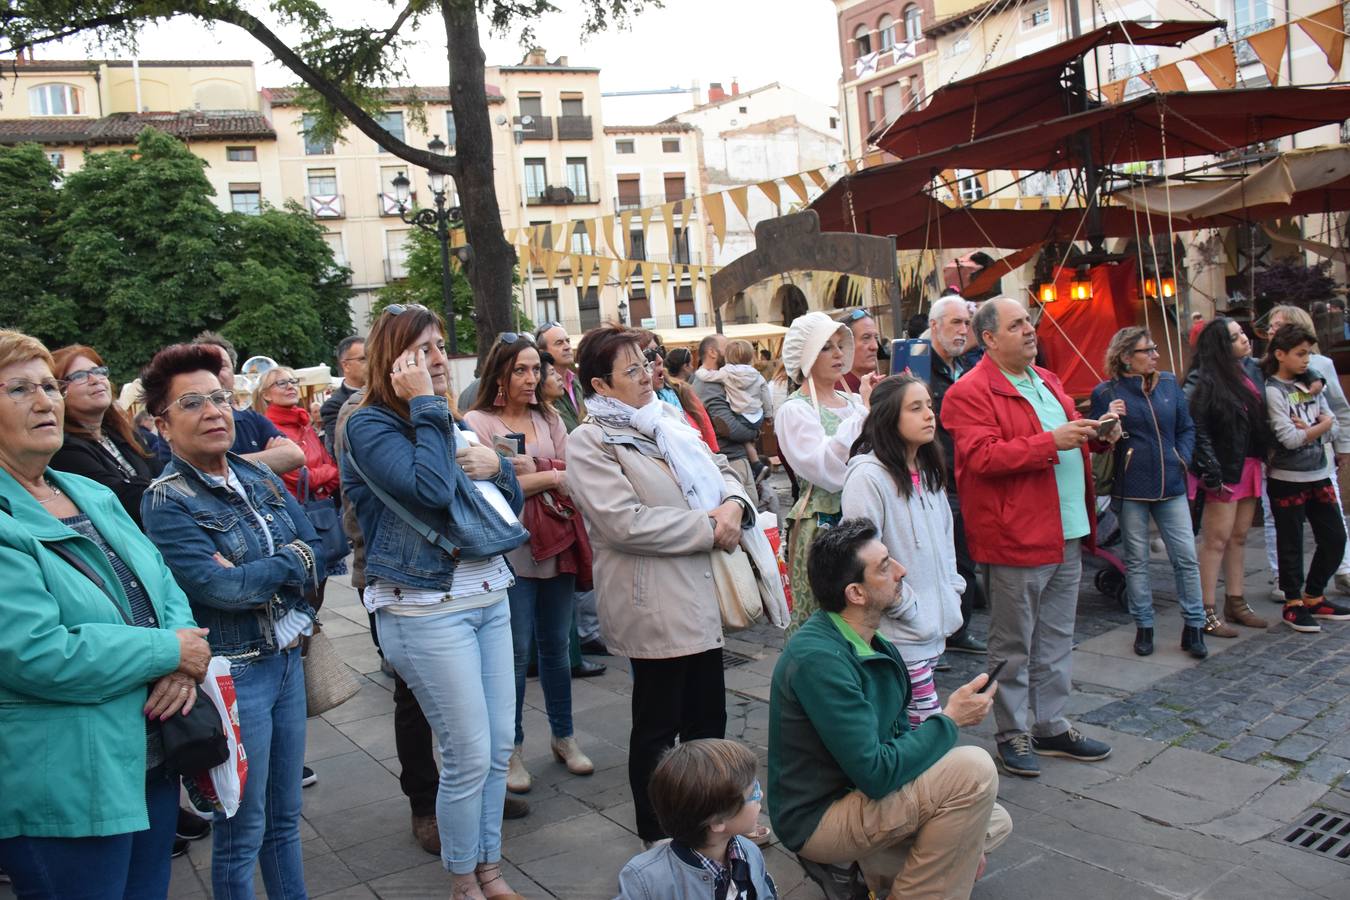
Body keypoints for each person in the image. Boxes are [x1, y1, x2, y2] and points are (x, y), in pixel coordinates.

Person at [0, 330, 212, 899]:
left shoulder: (82, 489)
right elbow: (35, 652)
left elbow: (161, 578)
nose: (45, 401)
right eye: (19, 389)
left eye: (48, 385)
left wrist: (181, 657)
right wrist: (169, 652)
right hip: (66, 780)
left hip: (149, 756)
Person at [341, 304, 529, 899]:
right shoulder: (368, 424)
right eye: (422, 350)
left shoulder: (448, 419)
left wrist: (497, 466)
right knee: (467, 753)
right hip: (424, 607)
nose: (439, 359)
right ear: (393, 360)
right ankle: (461, 880)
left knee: (498, 749)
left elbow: (502, 511)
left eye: (441, 346)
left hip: (488, 594)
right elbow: (428, 490)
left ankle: (490, 868)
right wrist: (426, 406)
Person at [566, 325, 773, 847]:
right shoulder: (591, 441)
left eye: (647, 362)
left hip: (699, 591)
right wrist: (709, 527)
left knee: (709, 719)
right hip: (653, 601)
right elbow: (624, 521)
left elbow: (720, 467)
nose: (646, 374)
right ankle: (658, 835)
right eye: (631, 369)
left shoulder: (667, 418)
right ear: (601, 384)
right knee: (659, 727)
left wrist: (733, 505)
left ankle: (717, 825)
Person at [138, 343, 321, 899]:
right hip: (236, 675)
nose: (214, 411)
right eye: (192, 403)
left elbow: (316, 541)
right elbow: (220, 588)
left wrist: (276, 563)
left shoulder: (253, 474)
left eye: (218, 397)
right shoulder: (166, 500)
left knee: (285, 818)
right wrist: (289, 562)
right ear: (162, 425)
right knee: (242, 827)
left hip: (287, 660)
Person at [768, 519, 1011, 898]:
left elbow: (895, 742)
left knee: (994, 819)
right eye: (884, 566)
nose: (901, 570)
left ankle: (872, 869)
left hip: (862, 796)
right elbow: (877, 773)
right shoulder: (819, 659)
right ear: (856, 593)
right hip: (819, 817)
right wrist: (949, 720)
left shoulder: (875, 643)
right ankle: (878, 871)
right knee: (974, 774)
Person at [941, 297, 1117, 778]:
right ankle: (1011, 731)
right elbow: (981, 459)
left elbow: (1062, 437)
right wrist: (1050, 442)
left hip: (1067, 529)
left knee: (1058, 636)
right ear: (990, 339)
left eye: (1030, 323)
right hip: (1016, 535)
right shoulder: (969, 392)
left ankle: (1051, 724)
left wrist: (1097, 434)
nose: (1030, 330)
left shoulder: (1048, 380)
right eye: (1017, 325)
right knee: (1013, 643)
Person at [464, 333, 595, 797]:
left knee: (557, 647)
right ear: (498, 372)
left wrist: (536, 472)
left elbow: (573, 474)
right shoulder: (476, 422)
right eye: (520, 369)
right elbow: (489, 487)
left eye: (535, 369)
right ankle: (512, 748)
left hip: (555, 541)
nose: (530, 378)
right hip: (509, 551)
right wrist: (550, 472)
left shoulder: (549, 415)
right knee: (516, 654)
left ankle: (564, 736)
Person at [842, 375, 964, 726]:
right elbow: (864, 558)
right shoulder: (868, 477)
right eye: (915, 408)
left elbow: (945, 541)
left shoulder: (927, 471)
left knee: (912, 732)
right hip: (898, 636)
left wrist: (953, 592)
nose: (929, 415)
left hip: (931, 632)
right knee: (929, 732)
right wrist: (909, 607)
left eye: (929, 405)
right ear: (888, 418)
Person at [1089, 327, 1213, 658]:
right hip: (1131, 490)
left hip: (1171, 485)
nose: (1156, 355)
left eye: (1155, 349)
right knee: (1137, 562)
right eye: (1148, 350)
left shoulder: (1170, 384)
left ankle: (1194, 626)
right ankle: (1144, 626)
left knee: (1186, 558)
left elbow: (1186, 427)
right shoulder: (1107, 392)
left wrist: (1182, 459)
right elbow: (1097, 441)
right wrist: (1109, 419)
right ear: (1127, 357)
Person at [775, 311, 876, 632]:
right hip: (824, 527)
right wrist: (866, 416)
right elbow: (826, 470)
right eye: (825, 347)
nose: (837, 353)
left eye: (838, 345)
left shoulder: (852, 401)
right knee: (832, 620)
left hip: (865, 517)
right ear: (806, 355)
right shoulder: (795, 410)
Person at [1185, 317, 1270, 638]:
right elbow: (1198, 426)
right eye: (1236, 337)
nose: (1245, 339)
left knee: (1239, 536)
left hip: (1247, 461)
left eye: (1243, 333)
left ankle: (1236, 600)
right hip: (1223, 467)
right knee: (1216, 540)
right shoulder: (1204, 378)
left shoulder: (1249, 370)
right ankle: (1205, 610)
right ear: (1222, 345)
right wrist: (1209, 467)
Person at [1262, 323, 1350, 632]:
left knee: (1335, 537)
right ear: (1280, 354)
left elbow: (1334, 424)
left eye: (1308, 354)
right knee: (1290, 543)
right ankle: (1293, 602)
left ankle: (1314, 594)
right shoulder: (1273, 390)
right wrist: (1320, 426)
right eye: (1300, 354)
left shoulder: (1312, 385)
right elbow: (1288, 438)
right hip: (1288, 477)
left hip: (1319, 473)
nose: (1306, 360)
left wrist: (1314, 427)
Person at [617, 739, 777, 899]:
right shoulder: (646, 880)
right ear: (717, 821)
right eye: (753, 793)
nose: (761, 794)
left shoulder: (748, 852)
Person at [926, 295, 988, 657]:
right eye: (955, 323)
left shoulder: (967, 367)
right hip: (937, 477)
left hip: (968, 475)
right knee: (937, 560)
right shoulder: (918, 367)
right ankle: (937, 637)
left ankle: (959, 630)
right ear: (935, 327)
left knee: (963, 559)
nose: (964, 330)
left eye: (966, 323)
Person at [49, 345, 162, 526]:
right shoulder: (64, 448)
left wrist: (142, 484)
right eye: (79, 376)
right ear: (57, 391)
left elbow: (161, 472)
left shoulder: (119, 431)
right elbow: (120, 500)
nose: (95, 380)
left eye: (99, 371)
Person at [193, 331, 305, 476]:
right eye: (205, 366)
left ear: (233, 373)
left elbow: (295, 456)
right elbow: (186, 475)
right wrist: (267, 458)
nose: (213, 373)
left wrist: (217, 466)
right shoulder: (180, 422)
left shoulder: (253, 420)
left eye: (221, 365)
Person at [692, 333, 762, 498]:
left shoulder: (719, 379)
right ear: (713, 352)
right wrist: (755, 432)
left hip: (733, 459)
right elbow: (730, 428)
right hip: (731, 461)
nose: (733, 351)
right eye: (728, 347)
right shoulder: (708, 385)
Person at [645, 341, 719, 453]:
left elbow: (705, 425)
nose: (659, 358)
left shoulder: (680, 389)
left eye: (660, 350)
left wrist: (714, 456)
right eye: (649, 354)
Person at [320, 335, 367, 455]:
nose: (371, 363)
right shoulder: (334, 405)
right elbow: (344, 450)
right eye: (363, 359)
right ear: (346, 365)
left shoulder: (386, 391)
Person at [536, 322, 585, 431]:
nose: (567, 347)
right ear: (543, 352)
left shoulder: (579, 382)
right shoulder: (539, 390)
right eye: (559, 343)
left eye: (568, 341)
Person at [838, 308, 881, 392]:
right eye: (866, 338)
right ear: (844, 344)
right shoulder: (838, 392)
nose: (875, 346)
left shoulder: (878, 386)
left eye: (876, 338)